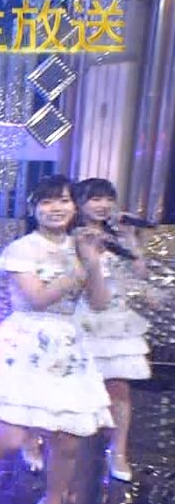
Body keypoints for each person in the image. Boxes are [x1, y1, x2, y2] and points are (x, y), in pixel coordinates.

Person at [0, 175, 113, 504]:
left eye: (64, 201)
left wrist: (92, 262)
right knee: (11, 439)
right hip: (24, 345)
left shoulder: (83, 247)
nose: (56, 208)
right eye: (47, 201)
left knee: (68, 441)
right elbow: (37, 298)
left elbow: (100, 302)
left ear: (75, 207)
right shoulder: (22, 249)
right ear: (33, 208)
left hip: (67, 346)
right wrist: (79, 268)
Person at [73, 177, 151, 482]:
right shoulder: (75, 237)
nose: (103, 205)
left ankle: (118, 451)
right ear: (80, 203)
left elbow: (140, 274)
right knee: (74, 385)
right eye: (95, 199)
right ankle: (60, 449)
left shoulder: (119, 234)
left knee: (119, 388)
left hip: (118, 319)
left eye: (108, 199)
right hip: (85, 315)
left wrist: (131, 239)